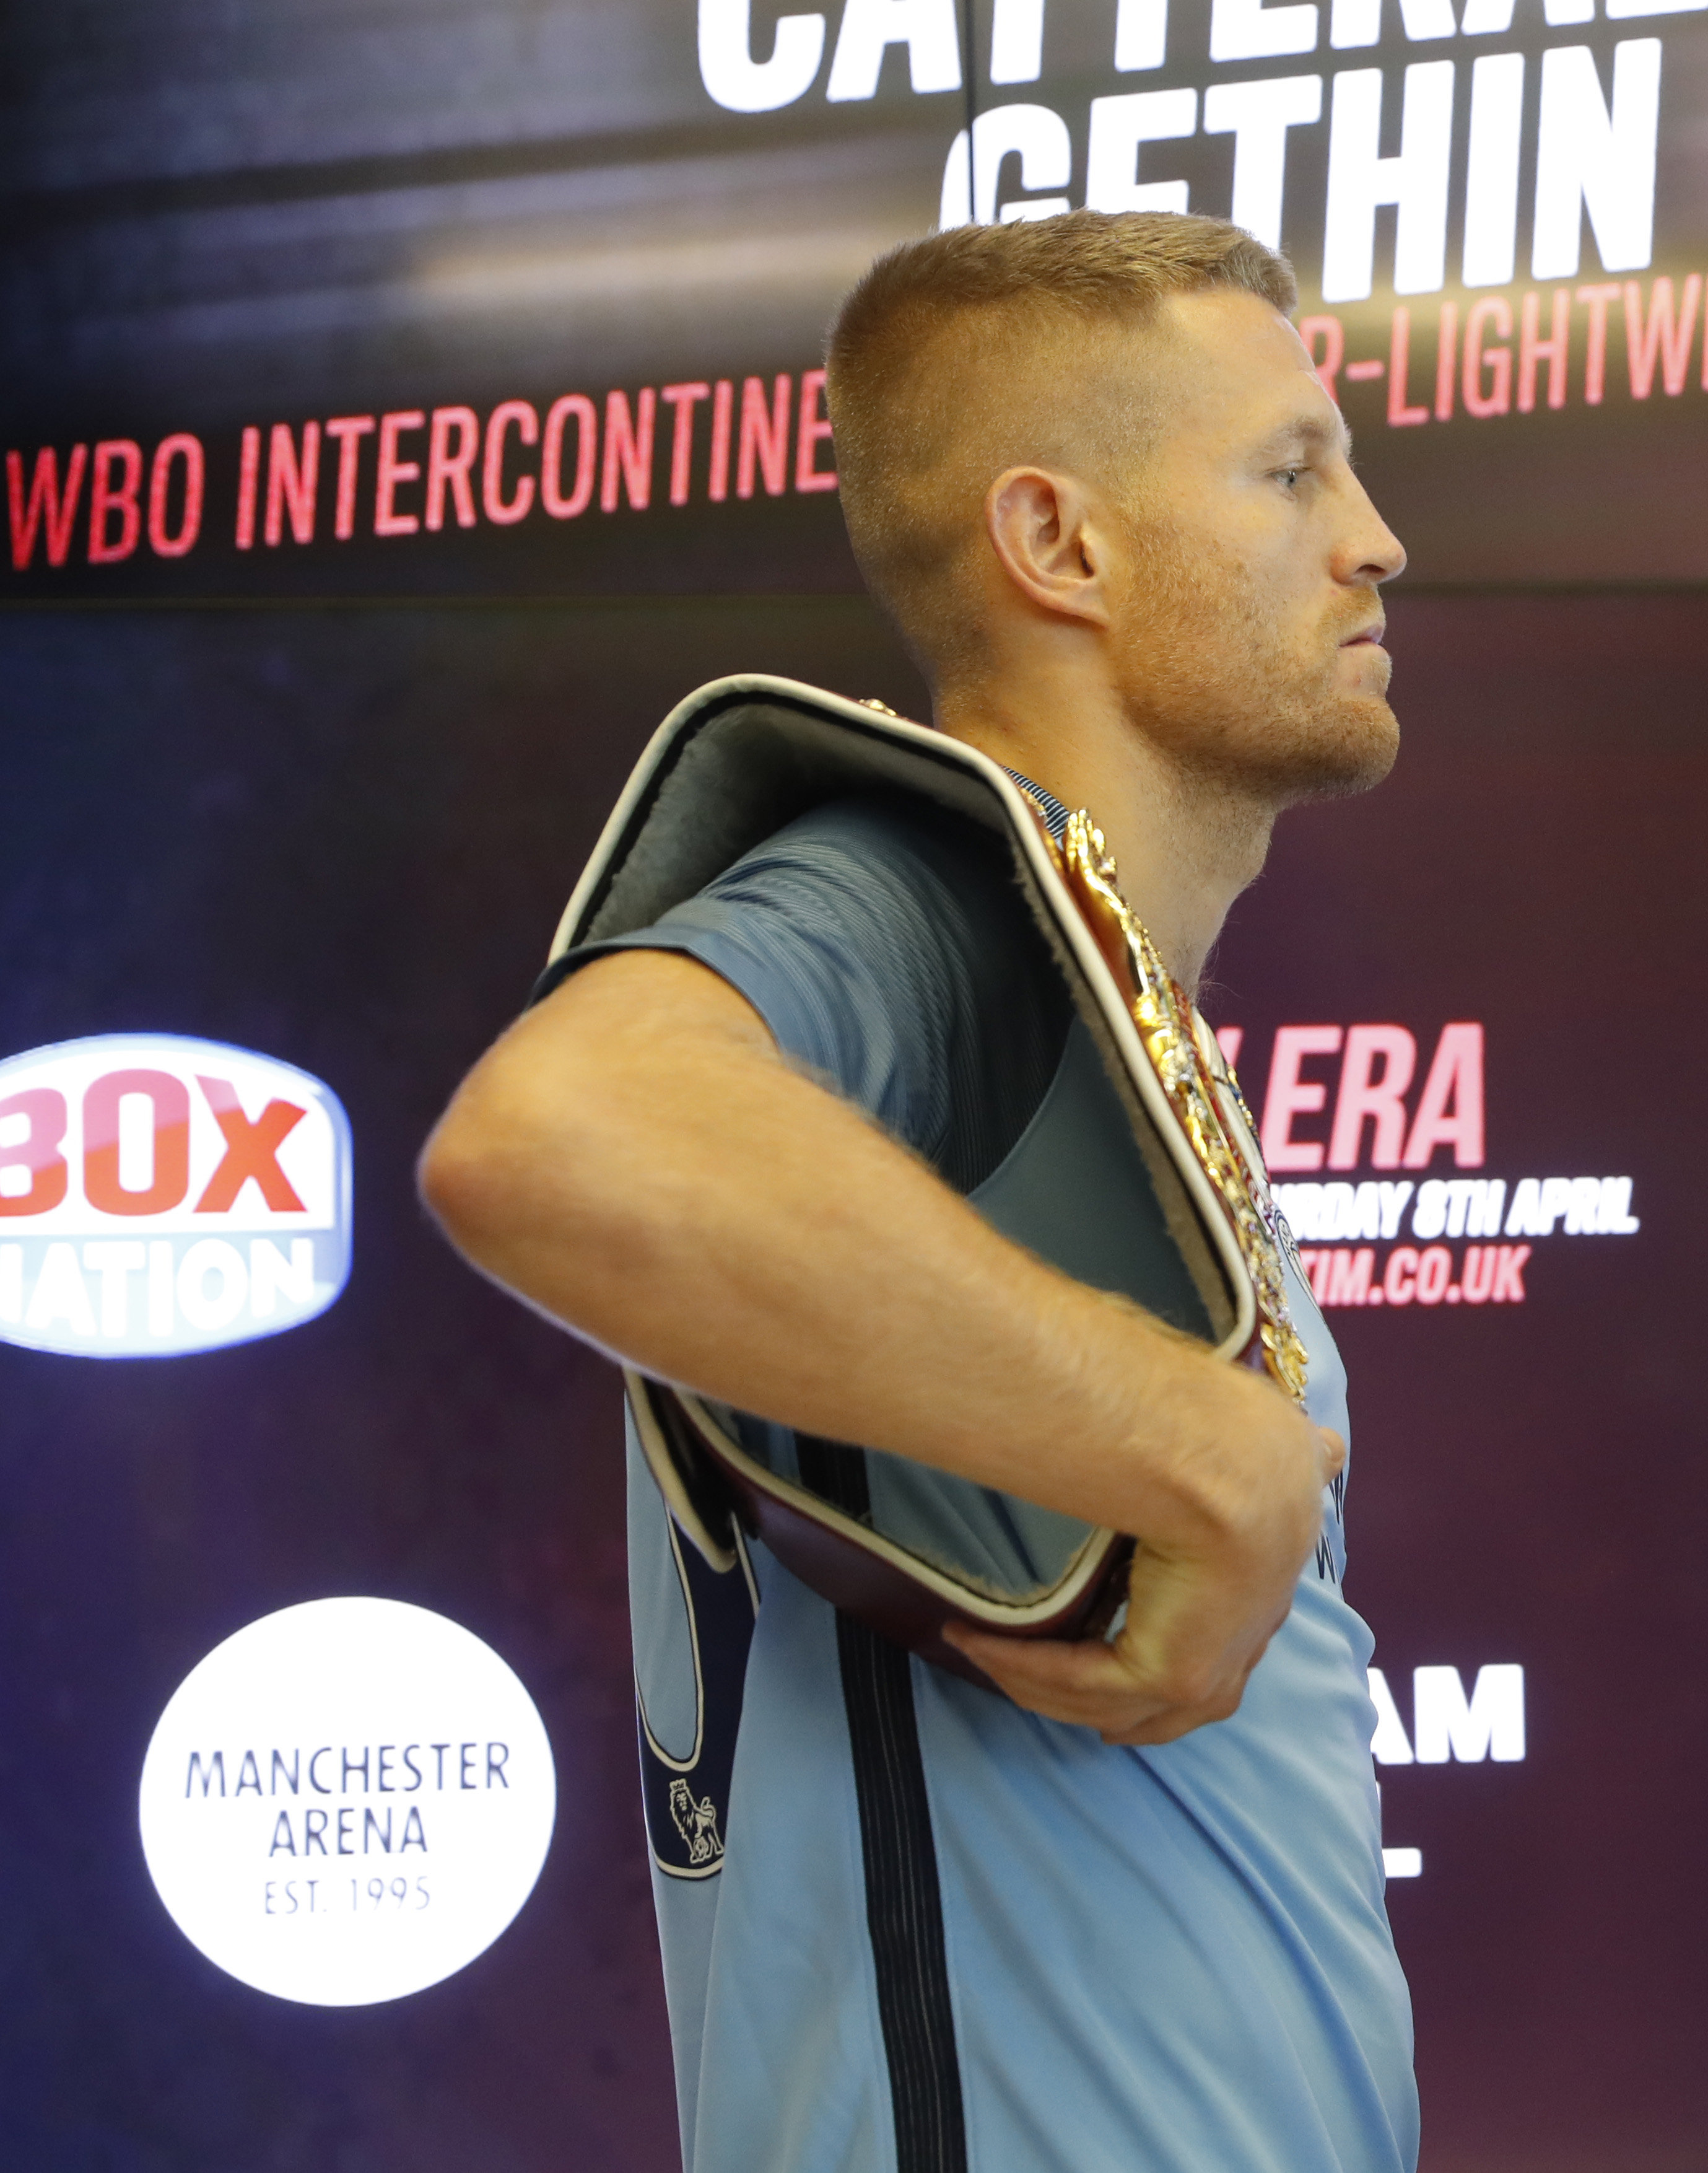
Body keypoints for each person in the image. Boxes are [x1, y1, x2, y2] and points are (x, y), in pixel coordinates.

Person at [420, 212, 1416, 2173]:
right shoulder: (940, 896)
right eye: (1292, 472)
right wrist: (1206, 1446)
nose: (1375, 536)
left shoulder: (1081, 999)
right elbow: (555, 1137)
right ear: (1060, 547)